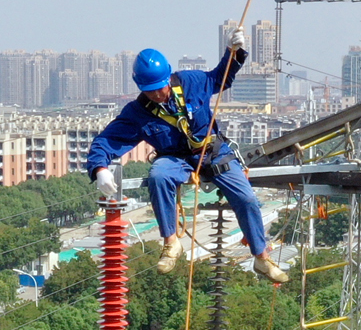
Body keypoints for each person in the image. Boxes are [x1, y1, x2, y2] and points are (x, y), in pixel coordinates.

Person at [87, 31, 286, 283]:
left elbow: (220, 78)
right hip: (175, 157)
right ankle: (171, 243)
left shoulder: (192, 82)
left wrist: (232, 53)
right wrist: (99, 168)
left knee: (246, 198)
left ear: (167, 78)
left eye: (160, 88)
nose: (157, 95)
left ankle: (261, 256)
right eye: (150, 91)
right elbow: (107, 140)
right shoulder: (138, 112)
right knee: (158, 175)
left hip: (212, 152)